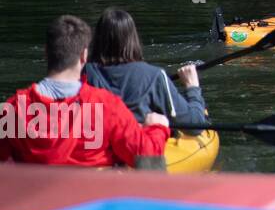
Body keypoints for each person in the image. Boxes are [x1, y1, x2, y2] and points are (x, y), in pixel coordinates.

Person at [0, 15, 170, 167]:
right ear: (83, 56)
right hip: (91, 198)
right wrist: (157, 127)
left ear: (46, 53)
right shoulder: (108, 106)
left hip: (36, 199)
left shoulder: (13, 108)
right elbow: (148, 159)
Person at [83, 8, 209, 126]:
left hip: (96, 144)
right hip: (139, 146)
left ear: (97, 39)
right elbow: (194, 125)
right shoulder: (155, 76)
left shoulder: (82, 74)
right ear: (133, 39)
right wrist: (192, 88)